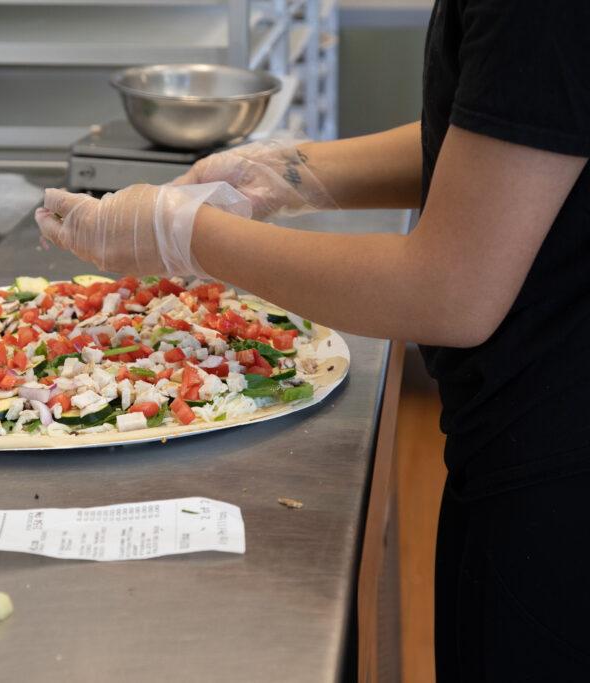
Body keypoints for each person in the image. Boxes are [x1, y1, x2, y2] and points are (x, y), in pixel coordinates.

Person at [35, 1, 590, 679]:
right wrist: (294, 171)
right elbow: (515, 125)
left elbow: (450, 292)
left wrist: (184, 235)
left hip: (559, 478)